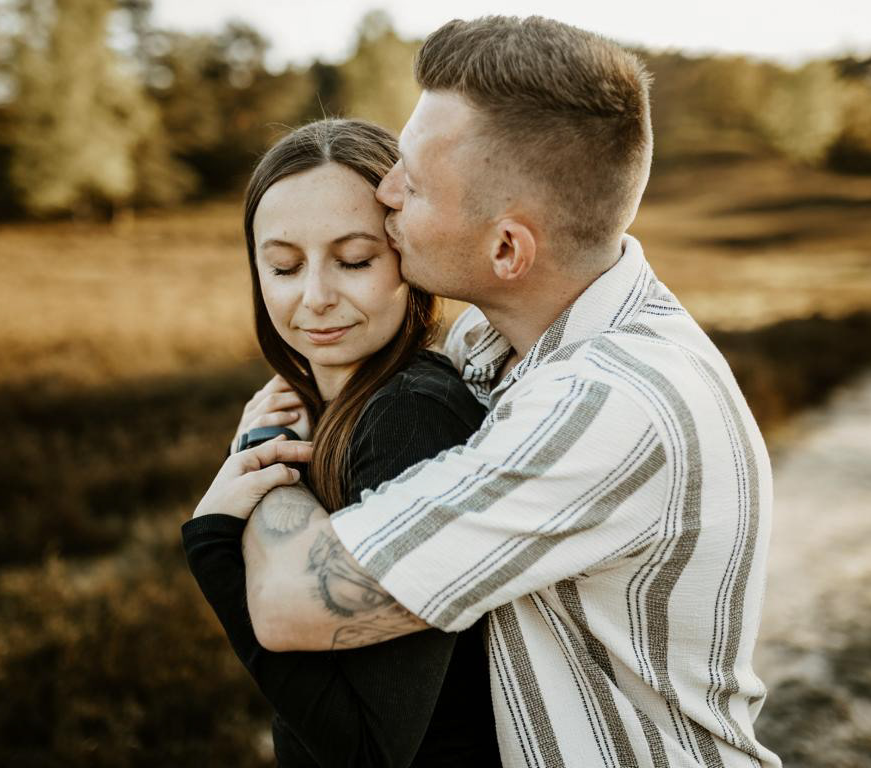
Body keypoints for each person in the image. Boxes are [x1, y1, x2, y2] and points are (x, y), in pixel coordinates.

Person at [201, 16, 781, 768]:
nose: (386, 187)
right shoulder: (498, 340)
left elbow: (287, 603)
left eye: (415, 179)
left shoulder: (606, 408)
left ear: (508, 247)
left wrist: (265, 450)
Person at [183, 119, 500, 767]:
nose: (316, 297)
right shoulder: (306, 408)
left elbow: (369, 751)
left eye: (355, 260)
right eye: (283, 265)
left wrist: (216, 540)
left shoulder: (410, 417)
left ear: (407, 256)